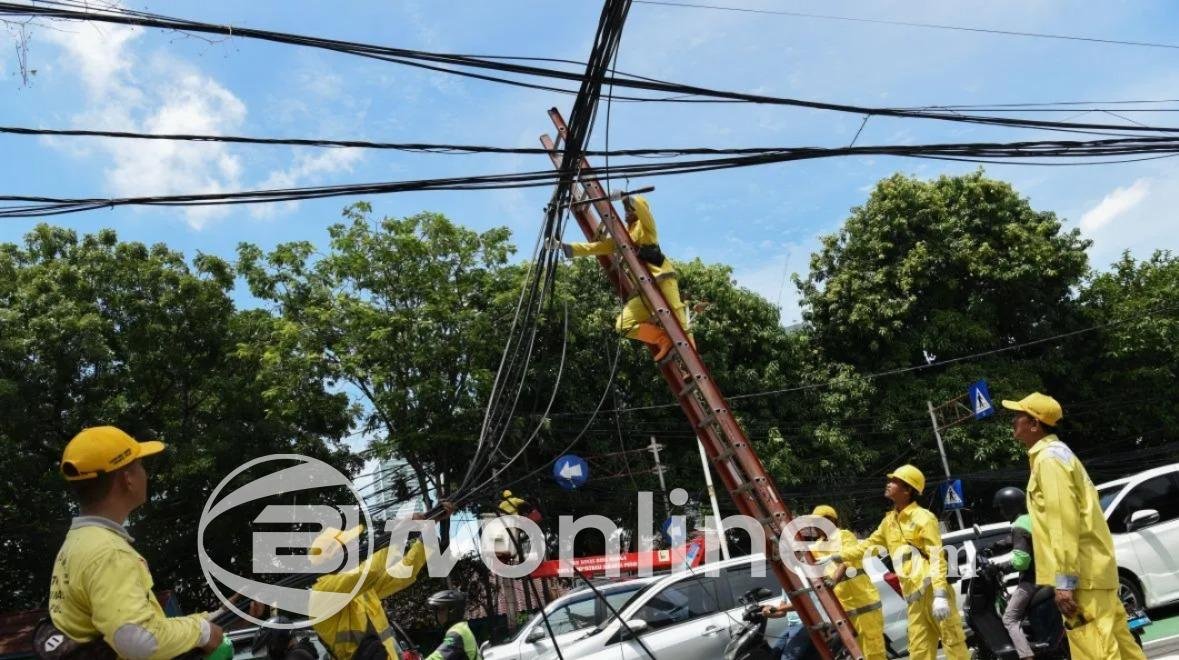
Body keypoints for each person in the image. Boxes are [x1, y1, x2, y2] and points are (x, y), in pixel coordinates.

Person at [47, 426, 226, 659]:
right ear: (127, 479)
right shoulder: (109, 553)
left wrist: (213, 617)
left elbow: (141, 625)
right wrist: (201, 632)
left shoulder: (79, 542)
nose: (145, 474)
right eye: (140, 465)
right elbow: (137, 639)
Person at [1002, 392, 1146, 660]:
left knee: (1096, 651)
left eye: (1018, 416)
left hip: (1082, 575)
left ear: (1035, 424)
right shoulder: (1058, 455)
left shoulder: (1049, 461)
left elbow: (1062, 523)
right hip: (1093, 570)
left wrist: (1065, 581)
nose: (1013, 421)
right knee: (1122, 647)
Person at [834, 464, 969, 660]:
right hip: (914, 600)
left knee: (953, 645)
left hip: (932, 590)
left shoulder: (923, 517)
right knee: (919, 653)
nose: (889, 484)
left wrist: (940, 594)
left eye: (894, 482)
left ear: (908, 490)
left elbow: (936, 556)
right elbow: (869, 546)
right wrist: (837, 557)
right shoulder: (889, 522)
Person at [552, 194, 690, 361]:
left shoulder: (646, 229)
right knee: (623, 325)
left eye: (629, 209)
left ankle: (690, 360)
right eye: (625, 209)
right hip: (644, 290)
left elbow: (644, 211)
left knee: (680, 321)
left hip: (662, 279)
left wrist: (628, 198)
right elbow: (596, 247)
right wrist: (563, 247)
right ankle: (662, 339)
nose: (625, 212)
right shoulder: (623, 237)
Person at [310, 503, 455, 659]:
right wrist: (400, 531)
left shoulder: (361, 591)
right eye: (349, 545)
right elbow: (370, 571)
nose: (357, 547)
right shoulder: (322, 592)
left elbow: (406, 572)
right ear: (335, 556)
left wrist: (428, 532)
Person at [809, 505, 887, 660]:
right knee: (858, 653)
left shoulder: (844, 535)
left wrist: (834, 579)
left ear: (830, 520)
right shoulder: (816, 546)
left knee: (874, 651)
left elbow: (847, 560)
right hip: (844, 608)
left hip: (864, 603)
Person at [990, 486, 1036, 660]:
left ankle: (1026, 657)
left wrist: (1002, 567)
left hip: (1033, 579)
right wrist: (997, 545)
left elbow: (1022, 561)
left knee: (1009, 618)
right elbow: (1018, 540)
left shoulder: (1019, 526)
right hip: (1048, 574)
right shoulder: (1030, 519)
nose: (1001, 512)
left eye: (1002, 507)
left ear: (1010, 506)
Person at [425, 589, 480, 660]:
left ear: (453, 611)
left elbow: (438, 657)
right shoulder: (461, 627)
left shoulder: (457, 632)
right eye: (436, 611)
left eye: (441, 610)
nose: (437, 615)